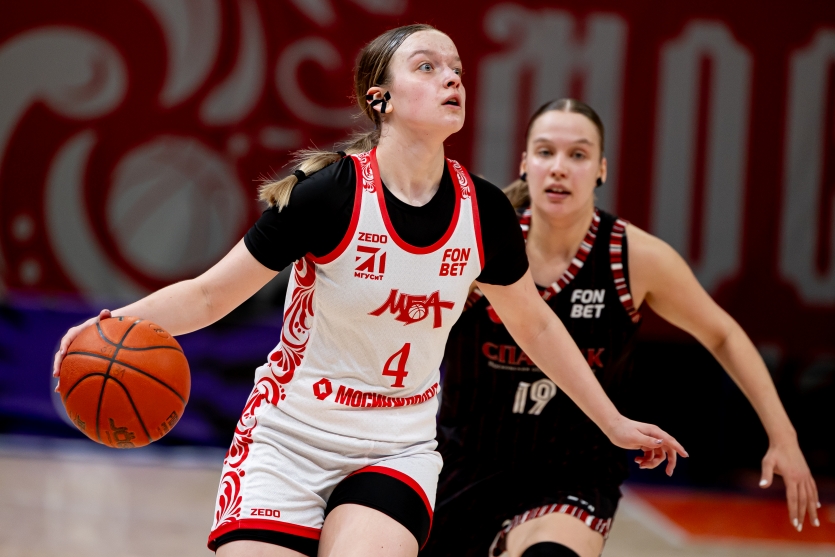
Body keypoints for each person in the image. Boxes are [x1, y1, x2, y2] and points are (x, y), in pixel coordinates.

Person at [52, 27, 686, 557]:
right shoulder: (327, 194)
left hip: (395, 447)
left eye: (457, 69)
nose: (452, 78)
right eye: (428, 66)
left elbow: (537, 325)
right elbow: (208, 297)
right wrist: (107, 327)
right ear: (380, 97)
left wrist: (613, 422)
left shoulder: (485, 212)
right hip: (288, 438)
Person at [421, 99, 821, 557]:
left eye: (578, 154)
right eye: (546, 152)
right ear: (525, 163)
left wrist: (784, 437)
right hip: (466, 463)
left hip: (573, 473)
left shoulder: (633, 256)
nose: (559, 167)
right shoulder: (477, 242)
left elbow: (723, 334)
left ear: (601, 169)